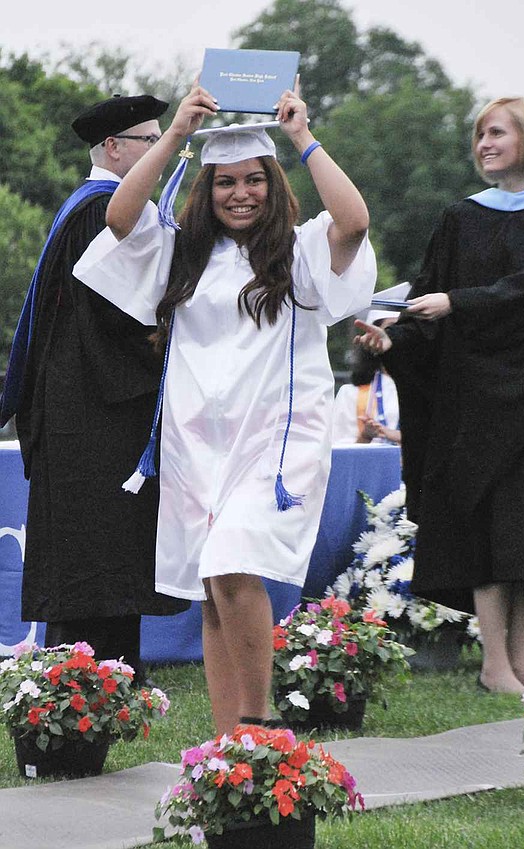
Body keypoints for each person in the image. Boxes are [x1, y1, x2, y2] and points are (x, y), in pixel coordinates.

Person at [74, 81, 376, 733]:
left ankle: (259, 726)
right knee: (213, 584)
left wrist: (302, 135)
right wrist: (177, 131)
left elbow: (354, 221)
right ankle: (228, 737)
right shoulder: (181, 252)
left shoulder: (299, 252)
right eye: (225, 182)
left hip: (274, 444)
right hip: (198, 445)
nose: (240, 192)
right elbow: (120, 219)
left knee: (232, 564)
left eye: (254, 180)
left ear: (273, 185)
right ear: (206, 191)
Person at [354, 96, 524, 694]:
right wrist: (392, 340)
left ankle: (522, 661)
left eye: (497, 133)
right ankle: (494, 666)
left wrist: (462, 302)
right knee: (488, 525)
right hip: (473, 402)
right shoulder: (462, 217)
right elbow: (427, 298)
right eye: (480, 135)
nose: (484, 144)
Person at [2, 94, 190, 679]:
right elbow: (118, 318)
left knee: (95, 559)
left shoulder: (86, 208)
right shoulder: (99, 211)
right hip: (96, 417)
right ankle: (89, 686)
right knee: (95, 562)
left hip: (81, 411)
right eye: (149, 140)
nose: (159, 150)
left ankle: (95, 682)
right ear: (114, 147)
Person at [332, 310, 400, 444]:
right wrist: (365, 436)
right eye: (391, 328)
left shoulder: (431, 388)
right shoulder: (352, 394)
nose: (399, 335)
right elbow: (339, 451)